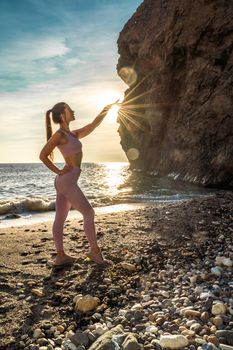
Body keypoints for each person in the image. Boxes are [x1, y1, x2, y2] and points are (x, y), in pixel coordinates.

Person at [39, 100, 117, 267]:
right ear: (62, 114)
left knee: (60, 218)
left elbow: (93, 125)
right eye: (70, 109)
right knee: (89, 213)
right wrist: (58, 171)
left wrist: (105, 110)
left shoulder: (72, 135)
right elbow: (43, 155)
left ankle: (61, 256)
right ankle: (95, 252)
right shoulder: (59, 135)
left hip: (65, 181)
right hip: (66, 180)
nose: (73, 111)